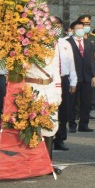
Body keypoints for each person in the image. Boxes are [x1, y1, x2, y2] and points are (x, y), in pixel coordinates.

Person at [25, 40, 63, 174]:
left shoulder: (53, 44)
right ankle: (32, 163)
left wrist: (58, 91)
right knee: (32, 127)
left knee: (50, 125)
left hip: (50, 88)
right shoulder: (26, 41)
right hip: (32, 87)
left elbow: (56, 70)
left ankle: (47, 163)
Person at [67, 20, 95, 132]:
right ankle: (72, 124)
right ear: (73, 30)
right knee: (72, 102)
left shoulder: (88, 42)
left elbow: (91, 60)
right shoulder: (68, 42)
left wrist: (93, 75)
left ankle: (84, 124)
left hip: (87, 77)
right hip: (73, 77)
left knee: (86, 102)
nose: (80, 30)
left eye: (82, 28)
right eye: (78, 28)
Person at [52, 17, 77, 151]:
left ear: (61, 26)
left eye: (57, 25)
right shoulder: (46, 43)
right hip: (51, 80)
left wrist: (74, 81)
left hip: (64, 79)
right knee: (52, 110)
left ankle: (60, 138)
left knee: (64, 111)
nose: (55, 27)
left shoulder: (65, 43)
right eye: (52, 25)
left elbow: (71, 64)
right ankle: (50, 136)